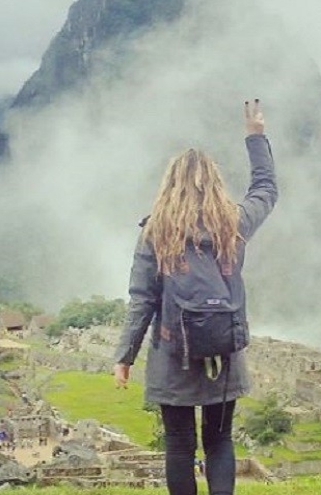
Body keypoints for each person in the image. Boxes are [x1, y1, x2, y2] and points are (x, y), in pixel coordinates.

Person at [113, 99, 277, 495]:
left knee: (179, 445)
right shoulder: (233, 224)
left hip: (174, 354)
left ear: (169, 186)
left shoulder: (156, 232)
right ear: (215, 183)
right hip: (224, 351)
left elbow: (142, 299)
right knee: (219, 441)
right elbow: (266, 190)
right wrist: (256, 136)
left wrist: (124, 357)